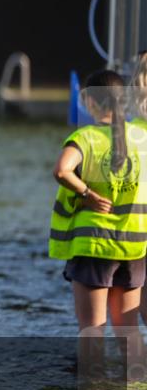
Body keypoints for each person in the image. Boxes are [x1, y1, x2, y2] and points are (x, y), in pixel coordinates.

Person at [50, 70, 147, 342]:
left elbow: (61, 171)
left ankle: (93, 385)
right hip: (133, 246)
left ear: (89, 102)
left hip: (93, 244)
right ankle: (137, 385)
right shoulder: (142, 136)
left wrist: (87, 193)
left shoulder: (86, 137)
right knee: (128, 333)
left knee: (92, 330)